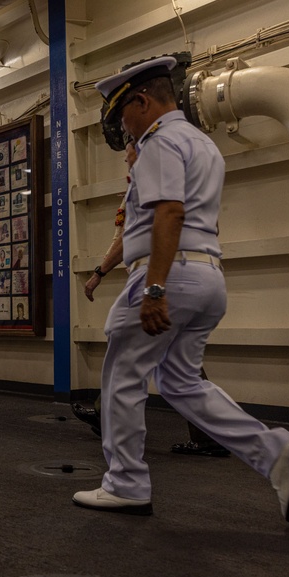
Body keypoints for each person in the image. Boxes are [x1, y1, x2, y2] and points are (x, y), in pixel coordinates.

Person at [72, 56, 289, 522]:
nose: (124, 126)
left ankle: (125, 483)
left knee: (123, 378)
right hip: (208, 276)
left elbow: (169, 214)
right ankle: (276, 454)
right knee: (180, 382)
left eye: (124, 113)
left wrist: (155, 289)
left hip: (169, 275)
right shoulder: (203, 145)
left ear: (142, 102)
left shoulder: (159, 143)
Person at [76, 143, 230, 457]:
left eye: (130, 151)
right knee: (178, 361)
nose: (126, 157)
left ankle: (111, 420)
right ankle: (209, 434)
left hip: (165, 281)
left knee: (128, 348)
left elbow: (129, 239)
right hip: (190, 280)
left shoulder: (156, 189)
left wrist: (99, 273)